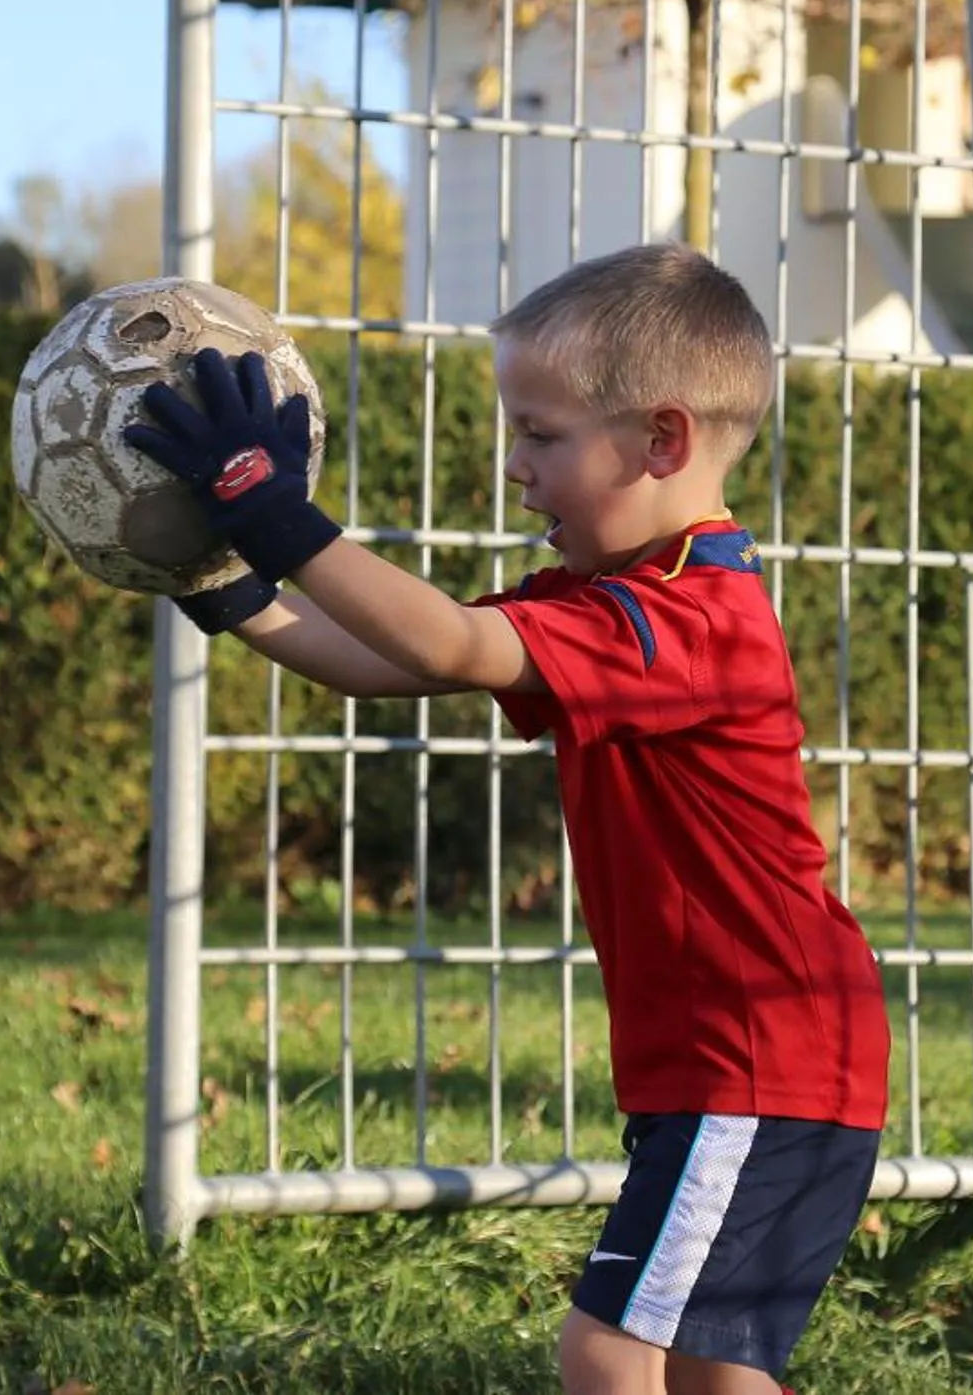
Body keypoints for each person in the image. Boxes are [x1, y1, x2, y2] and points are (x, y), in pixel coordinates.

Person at [125, 243, 890, 1395]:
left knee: (610, 1349)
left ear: (662, 441)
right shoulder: (608, 604)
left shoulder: (687, 618)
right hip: (752, 1060)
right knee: (711, 1373)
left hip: (758, 1056)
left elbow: (443, 640)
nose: (515, 466)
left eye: (540, 434)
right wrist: (225, 584)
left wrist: (276, 513)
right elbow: (388, 664)